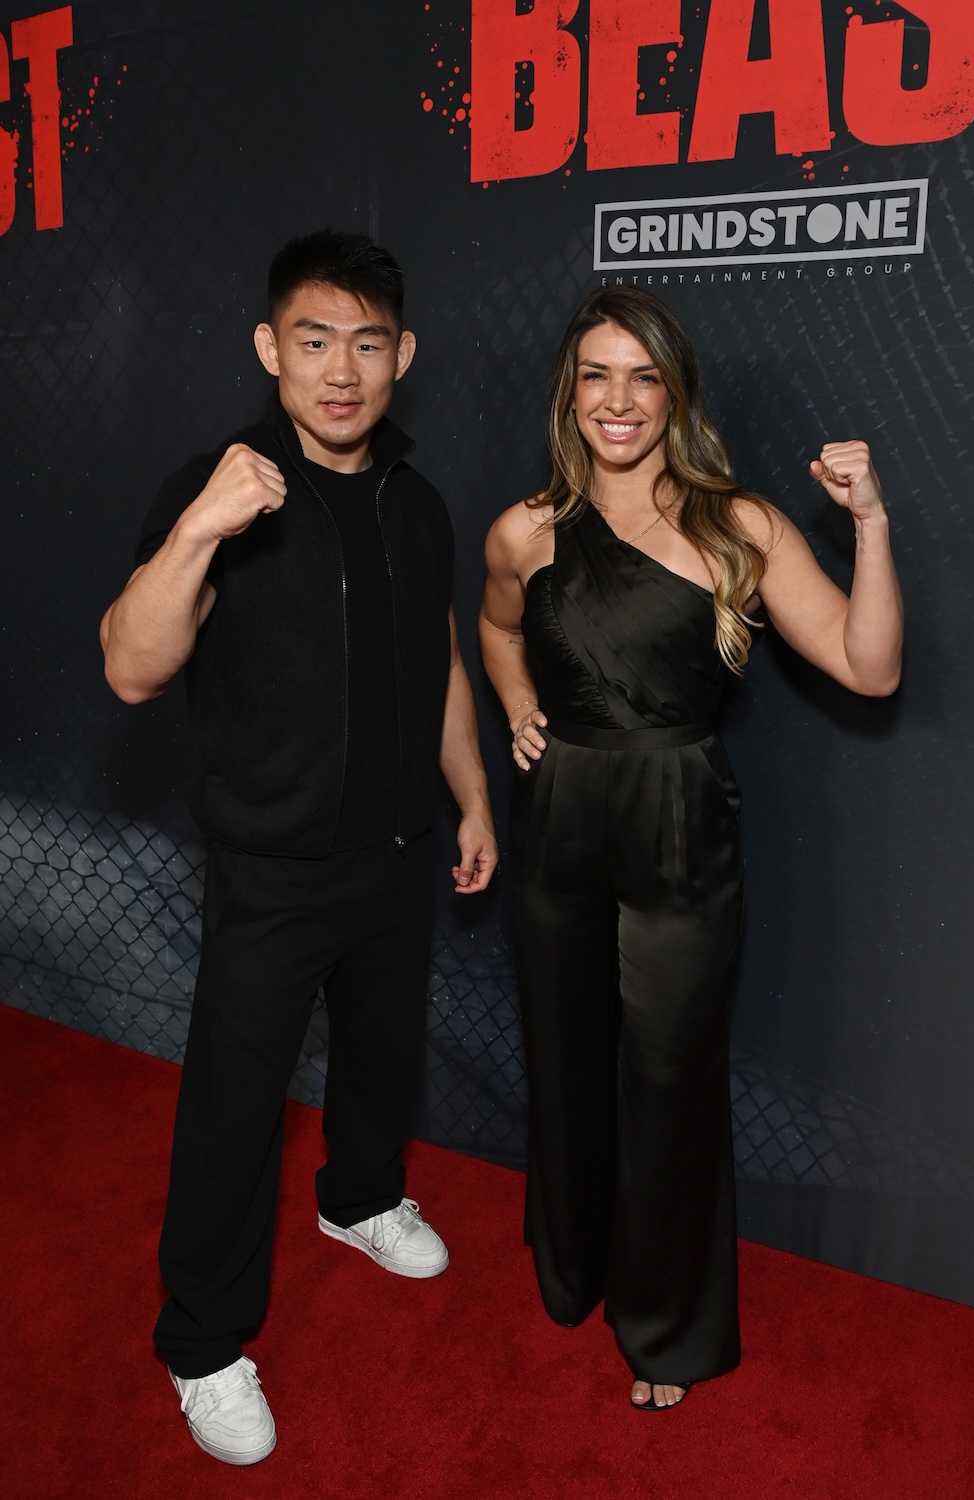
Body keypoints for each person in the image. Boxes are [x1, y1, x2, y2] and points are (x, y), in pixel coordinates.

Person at [100, 230, 498, 1464]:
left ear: (403, 356)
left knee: (382, 1057)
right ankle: (204, 1343)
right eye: (314, 341)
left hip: (391, 848)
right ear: (271, 349)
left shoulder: (417, 500)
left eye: (367, 345)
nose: (342, 371)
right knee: (233, 1112)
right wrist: (201, 531)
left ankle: (362, 1199)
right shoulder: (218, 484)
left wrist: (473, 794)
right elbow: (131, 666)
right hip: (270, 867)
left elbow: (438, 658)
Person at [479, 286, 902, 1413]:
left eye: (642, 376)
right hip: (558, 818)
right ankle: (570, 1269)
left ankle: (665, 1329)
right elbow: (494, 622)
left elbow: (871, 669)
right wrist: (518, 696)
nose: (618, 401)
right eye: (596, 374)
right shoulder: (525, 528)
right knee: (565, 1063)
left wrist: (868, 522)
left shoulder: (738, 525)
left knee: (670, 1080)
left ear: (675, 392)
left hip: (679, 824)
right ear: (571, 392)